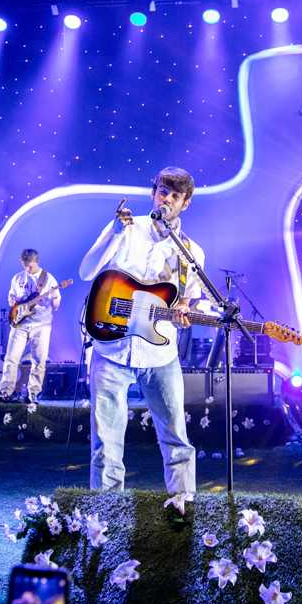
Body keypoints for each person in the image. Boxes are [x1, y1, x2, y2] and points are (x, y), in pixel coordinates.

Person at [79, 166, 202, 498]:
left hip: (159, 353)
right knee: (106, 444)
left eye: (176, 196)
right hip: (111, 348)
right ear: (154, 192)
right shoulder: (127, 229)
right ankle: (104, 516)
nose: (168, 200)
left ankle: (182, 507)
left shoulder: (191, 252)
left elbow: (186, 302)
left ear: (186, 203)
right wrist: (115, 232)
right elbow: (87, 270)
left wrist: (184, 312)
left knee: (176, 437)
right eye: (163, 192)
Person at [0, 248, 62, 402]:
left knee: (39, 361)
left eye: (30, 266)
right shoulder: (17, 278)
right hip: (20, 323)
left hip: (41, 324)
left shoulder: (48, 279)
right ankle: (6, 392)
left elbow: (56, 305)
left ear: (36, 262)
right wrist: (15, 305)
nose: (27, 269)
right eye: (24, 265)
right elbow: (11, 298)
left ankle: (33, 394)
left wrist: (54, 298)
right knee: (11, 358)